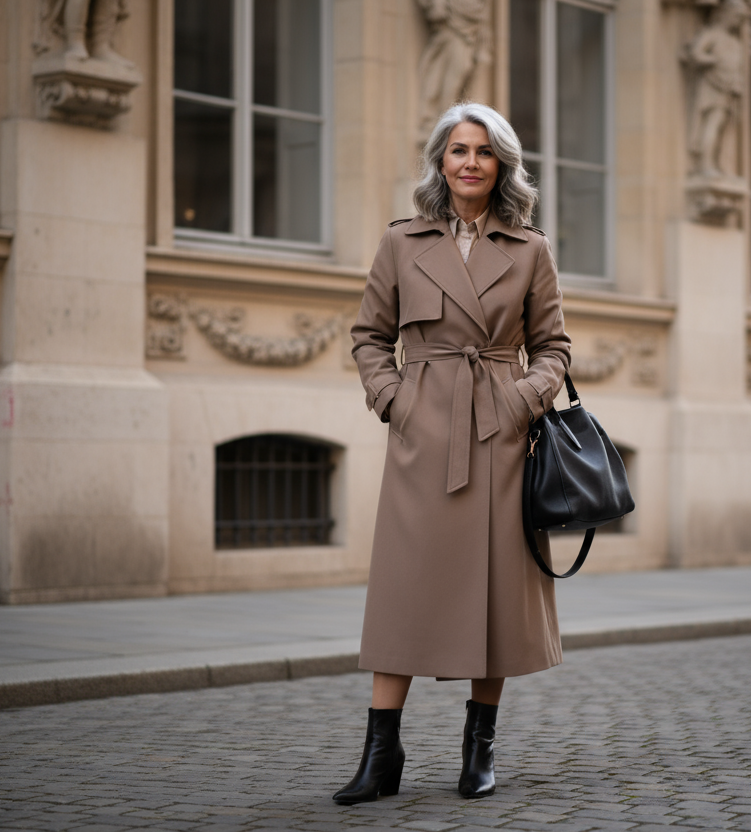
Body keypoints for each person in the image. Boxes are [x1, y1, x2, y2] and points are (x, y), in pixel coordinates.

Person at [338, 102, 571, 804]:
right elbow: (369, 336)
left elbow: (554, 348)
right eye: (459, 149)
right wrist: (394, 400)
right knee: (402, 589)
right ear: (441, 160)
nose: (471, 162)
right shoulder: (401, 242)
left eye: (484, 151)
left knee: (492, 592)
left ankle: (480, 748)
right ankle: (381, 754)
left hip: (499, 435)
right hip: (422, 435)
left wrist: (520, 400)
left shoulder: (530, 249)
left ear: (503, 165)